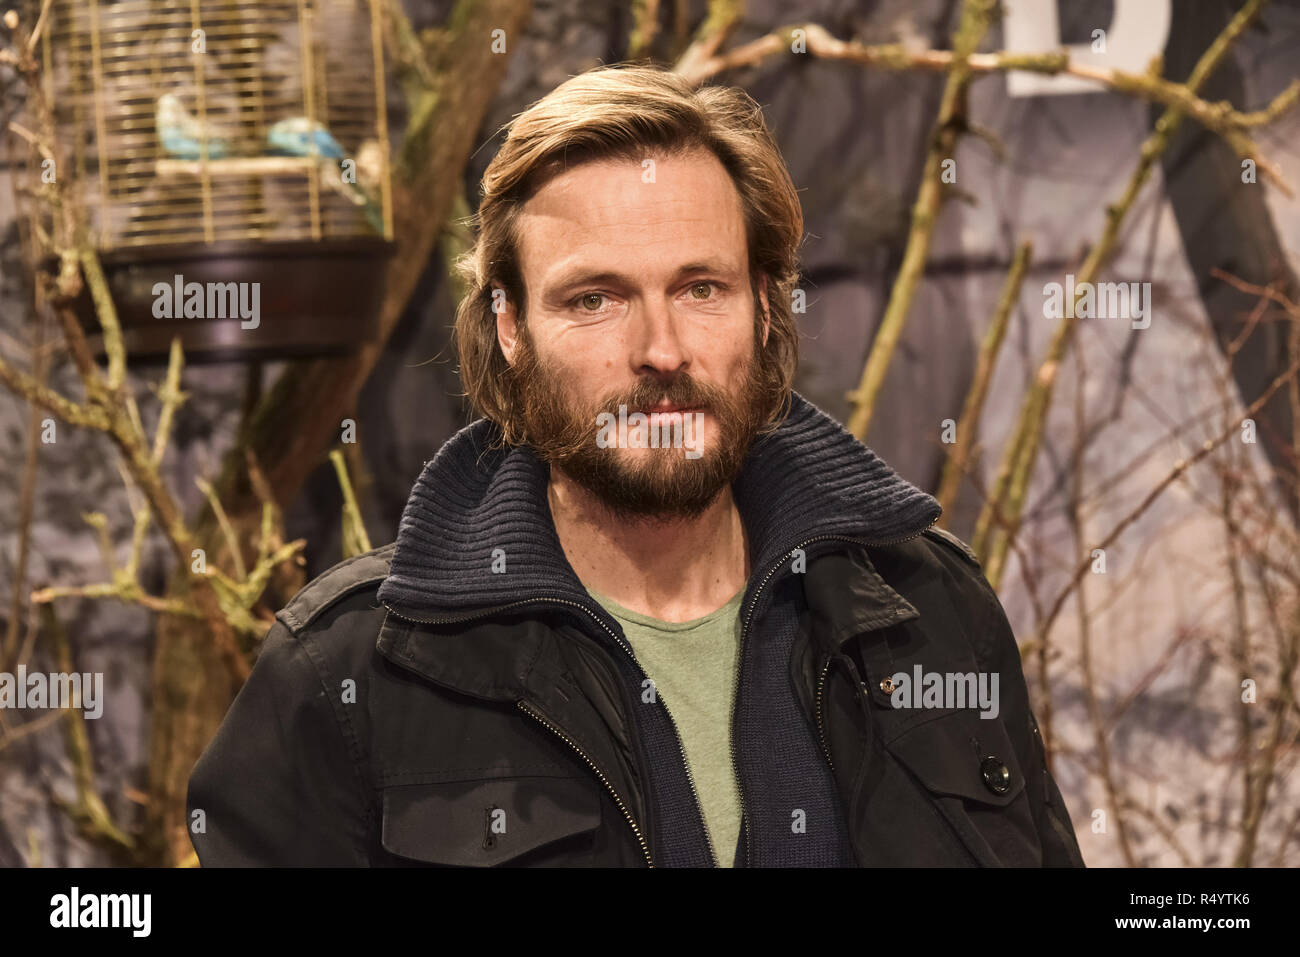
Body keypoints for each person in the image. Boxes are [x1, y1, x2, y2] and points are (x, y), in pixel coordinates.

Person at [187, 63, 1085, 867]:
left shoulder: (926, 613)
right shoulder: (353, 677)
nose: (662, 348)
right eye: (595, 297)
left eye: (702, 289)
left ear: (765, 308)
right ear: (510, 328)